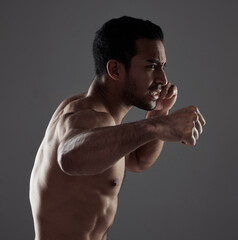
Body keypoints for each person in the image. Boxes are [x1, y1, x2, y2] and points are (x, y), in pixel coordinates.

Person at [29, 16, 206, 240]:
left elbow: (138, 160)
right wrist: (158, 125)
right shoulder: (87, 117)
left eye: (162, 67)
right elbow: (69, 156)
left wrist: (159, 112)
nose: (163, 78)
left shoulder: (105, 118)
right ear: (115, 69)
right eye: (152, 66)